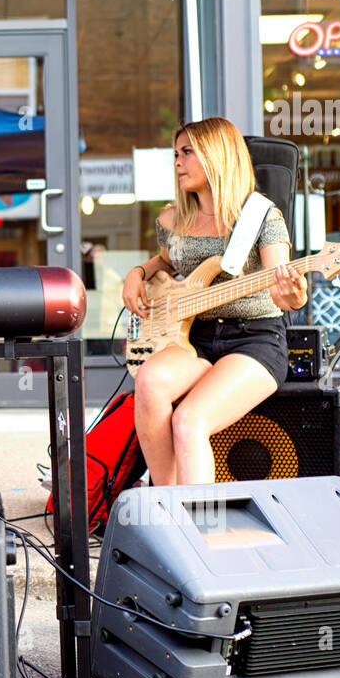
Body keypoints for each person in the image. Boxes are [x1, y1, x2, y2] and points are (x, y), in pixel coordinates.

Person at [121, 117, 308, 486]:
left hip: (253, 340)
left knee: (189, 420)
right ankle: (167, 503)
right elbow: (168, 263)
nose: (178, 161)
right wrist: (137, 273)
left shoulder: (262, 216)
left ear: (218, 155)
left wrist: (292, 293)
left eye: (188, 152)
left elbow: (282, 284)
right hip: (194, 338)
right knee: (149, 381)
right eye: (176, 153)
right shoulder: (173, 218)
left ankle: (198, 533)